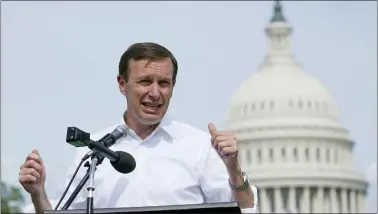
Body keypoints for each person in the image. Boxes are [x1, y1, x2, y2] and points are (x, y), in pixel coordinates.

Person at [19, 42, 259, 214]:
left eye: (164, 83)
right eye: (145, 81)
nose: (155, 93)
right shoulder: (90, 150)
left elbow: (246, 210)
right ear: (122, 85)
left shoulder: (199, 146)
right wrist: (38, 193)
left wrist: (234, 169)